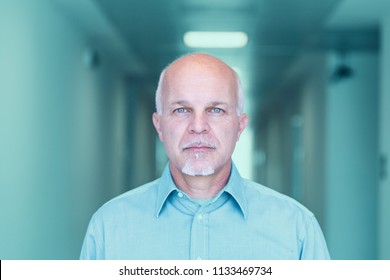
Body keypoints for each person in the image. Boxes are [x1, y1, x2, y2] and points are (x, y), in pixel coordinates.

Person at [80, 53, 330, 260]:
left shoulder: (297, 229)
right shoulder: (108, 228)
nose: (198, 126)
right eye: (181, 110)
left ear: (240, 126)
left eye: (216, 110)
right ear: (159, 126)